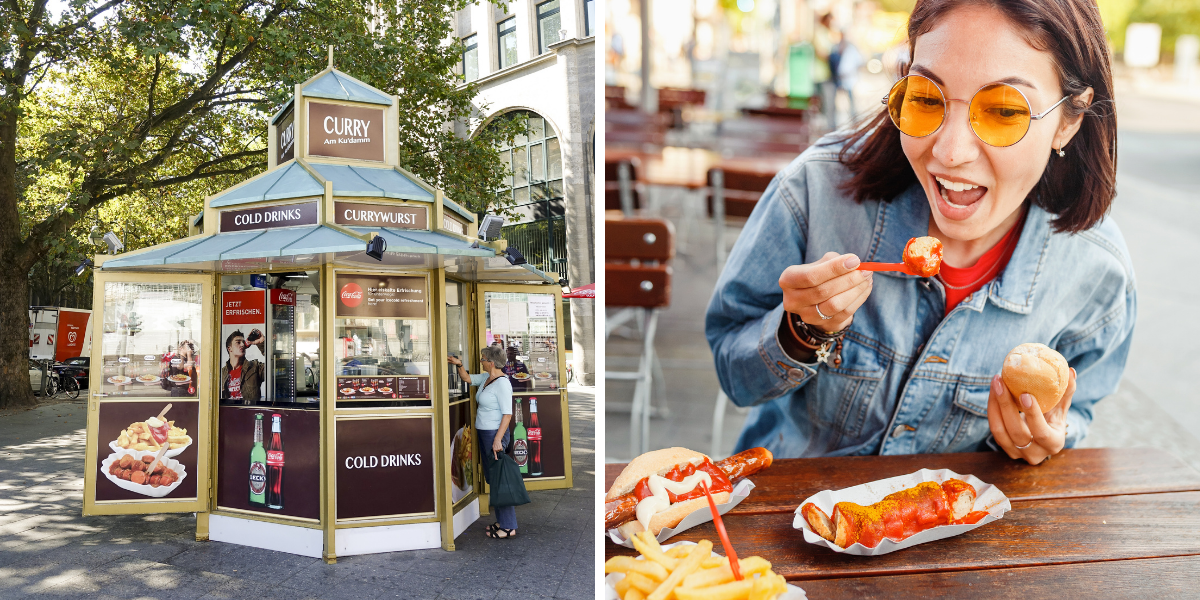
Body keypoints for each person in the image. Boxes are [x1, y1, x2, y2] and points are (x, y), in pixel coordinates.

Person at [706, 0, 1133, 467]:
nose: (949, 152)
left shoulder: (1097, 272)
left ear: (1069, 120)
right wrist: (799, 332)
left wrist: (1042, 439)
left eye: (1004, 111)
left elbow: (1078, 412)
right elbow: (734, 375)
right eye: (927, 98)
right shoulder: (816, 191)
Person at [448, 344, 518, 538]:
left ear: (492, 362)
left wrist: (497, 440)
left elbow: (507, 415)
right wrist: (459, 365)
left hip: (495, 434)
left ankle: (509, 526)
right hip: (485, 433)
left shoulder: (502, 383)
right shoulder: (487, 379)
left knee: (499, 480)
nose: (481, 361)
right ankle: (503, 521)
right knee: (492, 477)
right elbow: (467, 378)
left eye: (483, 359)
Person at [221, 329, 266, 404]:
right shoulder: (221, 374)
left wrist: (262, 344)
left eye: (242, 342)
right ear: (229, 348)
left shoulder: (255, 367)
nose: (242, 344)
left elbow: (275, 368)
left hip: (248, 413)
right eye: (238, 342)